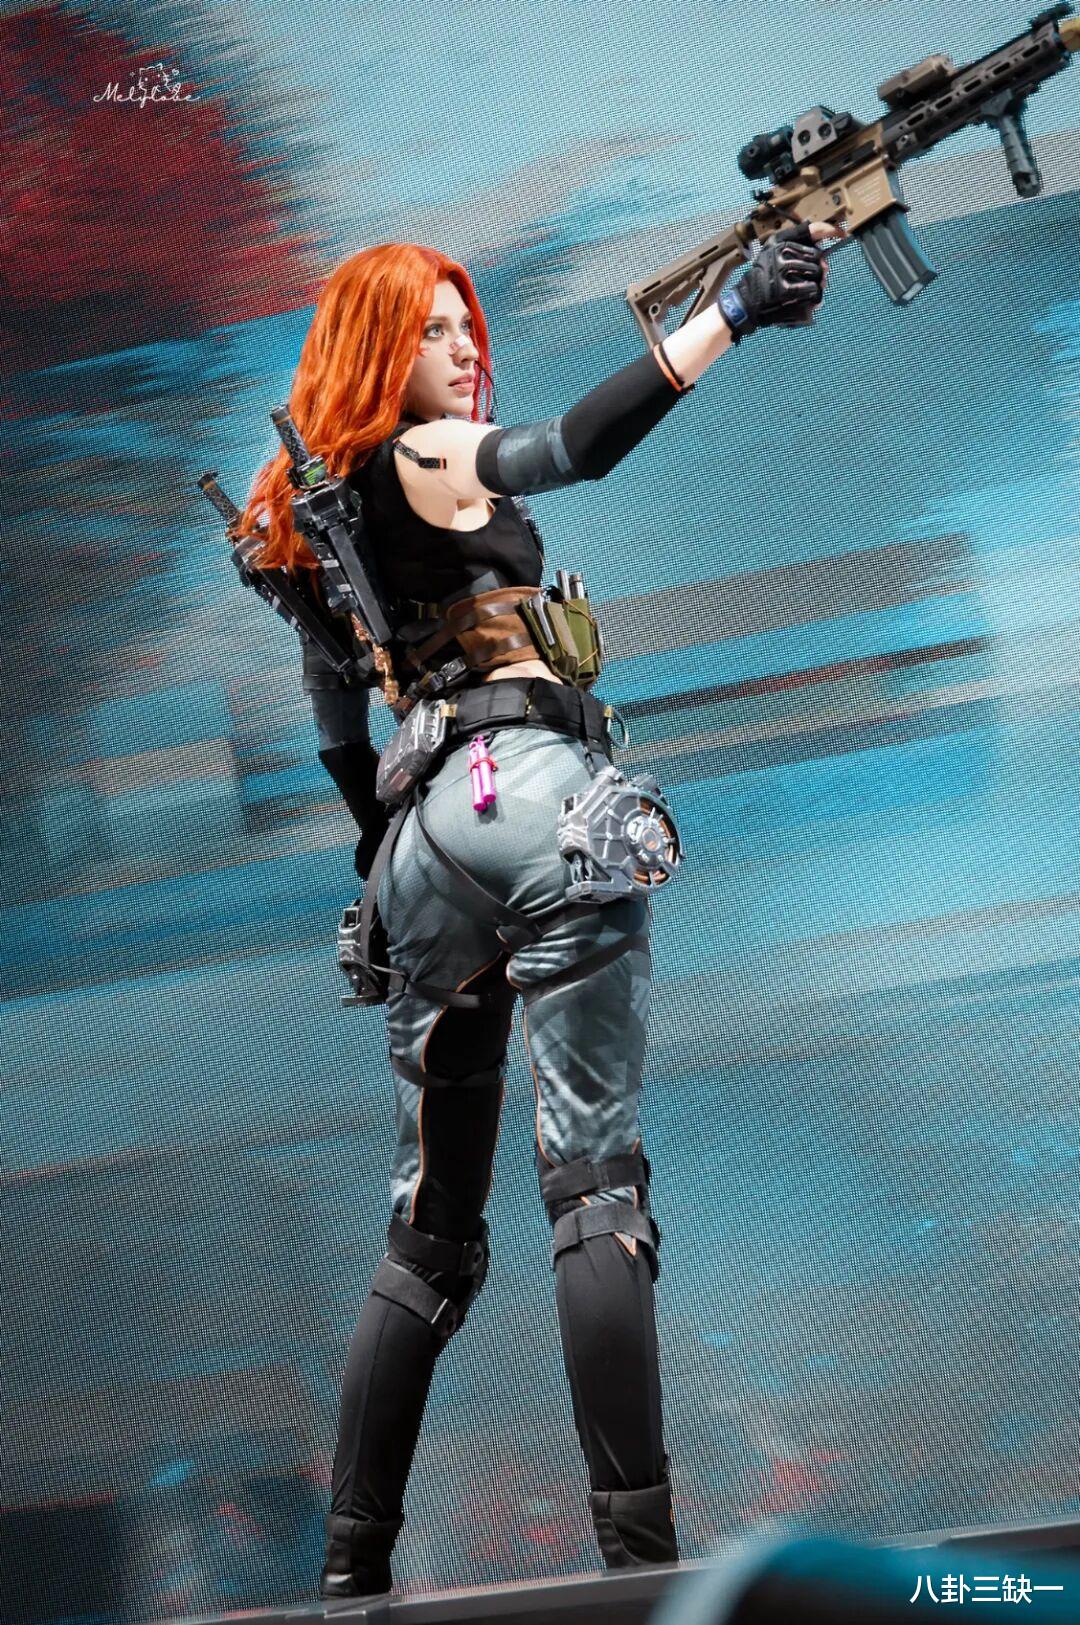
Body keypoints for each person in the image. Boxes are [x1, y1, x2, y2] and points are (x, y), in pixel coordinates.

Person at [240, 222, 840, 1601]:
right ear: (380, 353)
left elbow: (342, 742)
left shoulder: (313, 523)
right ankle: (640, 1566)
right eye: (435, 330)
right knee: (594, 1186)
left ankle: (351, 1574)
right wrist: (734, 312)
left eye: (469, 326)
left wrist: (401, 866)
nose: (466, 349)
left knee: (430, 1239)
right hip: (533, 796)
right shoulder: (425, 458)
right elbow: (571, 446)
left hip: (418, 850)